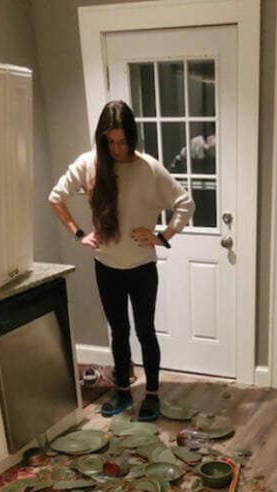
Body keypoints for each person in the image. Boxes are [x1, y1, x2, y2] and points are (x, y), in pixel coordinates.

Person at [48, 100, 195, 421]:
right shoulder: (89, 164)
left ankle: (152, 394)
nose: (116, 149)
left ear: (132, 137)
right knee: (118, 331)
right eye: (110, 141)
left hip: (142, 268)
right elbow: (56, 197)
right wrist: (79, 234)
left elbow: (185, 203)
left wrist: (163, 236)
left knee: (145, 331)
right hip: (106, 267)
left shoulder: (148, 169)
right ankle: (123, 391)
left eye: (122, 141)